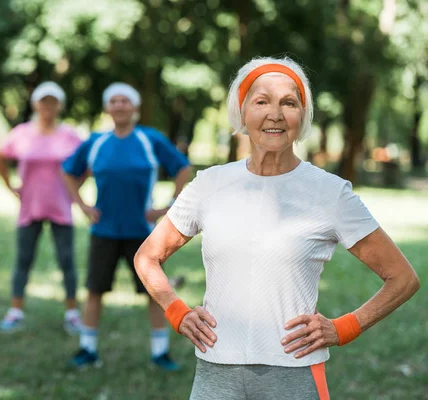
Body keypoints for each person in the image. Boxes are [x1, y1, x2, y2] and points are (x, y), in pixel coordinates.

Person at [134, 57, 420, 399]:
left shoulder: (330, 193)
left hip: (295, 374)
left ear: (303, 115)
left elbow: (403, 278)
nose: (275, 114)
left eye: (289, 102)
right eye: (261, 101)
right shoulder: (209, 184)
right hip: (214, 371)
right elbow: (147, 257)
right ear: (242, 113)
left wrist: (345, 327)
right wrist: (176, 311)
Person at [62, 82, 192, 371]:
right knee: (95, 290)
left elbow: (183, 168)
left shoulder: (150, 139)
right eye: (114, 101)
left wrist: (168, 205)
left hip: (143, 235)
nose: (119, 105)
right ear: (108, 108)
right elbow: (68, 171)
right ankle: (87, 349)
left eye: (125, 101)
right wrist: (82, 205)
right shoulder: (96, 142)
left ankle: (160, 353)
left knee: (154, 293)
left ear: (134, 107)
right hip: (103, 231)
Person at [0, 81, 83, 334]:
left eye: (53, 101)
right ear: (36, 104)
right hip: (29, 206)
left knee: (67, 260)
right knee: (23, 259)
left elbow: (87, 161)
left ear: (60, 105)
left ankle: (72, 313)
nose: (48, 106)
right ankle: (15, 311)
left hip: (60, 206)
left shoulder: (70, 135)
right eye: (44, 101)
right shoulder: (22, 133)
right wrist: (11, 186)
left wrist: (75, 188)